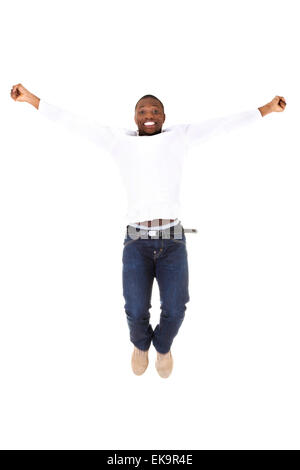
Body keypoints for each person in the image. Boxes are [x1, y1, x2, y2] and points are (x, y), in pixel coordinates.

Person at [10, 83, 287, 378]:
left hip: (172, 241)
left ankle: (163, 347)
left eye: (155, 110)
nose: (149, 115)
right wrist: (31, 99)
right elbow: (77, 124)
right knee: (135, 308)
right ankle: (141, 345)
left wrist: (267, 109)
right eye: (143, 111)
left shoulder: (179, 137)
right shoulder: (120, 142)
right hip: (136, 243)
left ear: (164, 117)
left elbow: (223, 126)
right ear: (135, 118)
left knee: (176, 309)